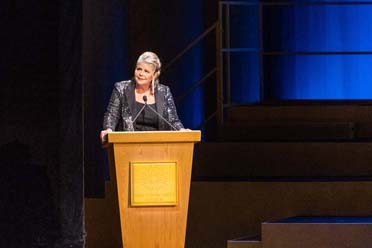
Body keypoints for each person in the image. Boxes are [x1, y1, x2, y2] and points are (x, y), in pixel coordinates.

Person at [100, 51, 186, 144]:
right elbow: (112, 114)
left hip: (159, 146)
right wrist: (108, 129)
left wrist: (181, 130)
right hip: (129, 145)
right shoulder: (121, 88)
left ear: (155, 75)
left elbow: (172, 120)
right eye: (139, 69)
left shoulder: (164, 92)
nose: (141, 74)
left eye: (146, 71)